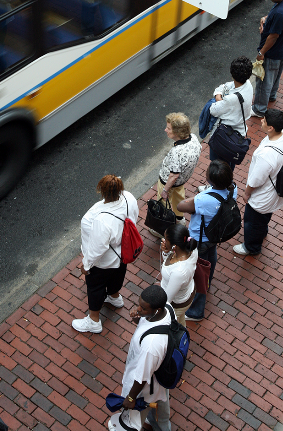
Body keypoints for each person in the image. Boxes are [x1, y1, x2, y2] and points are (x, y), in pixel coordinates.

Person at [72, 174, 139, 334]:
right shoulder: (129, 198)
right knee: (117, 276)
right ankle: (114, 297)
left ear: (102, 191)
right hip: (123, 254)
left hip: (104, 262)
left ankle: (94, 321)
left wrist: (86, 264)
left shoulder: (102, 220)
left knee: (95, 287)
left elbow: (97, 248)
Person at [176, 160, 237, 322]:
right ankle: (209, 279)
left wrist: (198, 196)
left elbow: (181, 206)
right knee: (211, 257)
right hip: (214, 236)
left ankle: (196, 311)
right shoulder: (233, 189)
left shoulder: (204, 199)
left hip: (199, 240)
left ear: (210, 180)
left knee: (198, 275)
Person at [108, 286, 172, 431]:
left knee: (131, 423)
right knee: (161, 405)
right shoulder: (167, 309)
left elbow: (142, 377)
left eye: (143, 309)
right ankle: (163, 426)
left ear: (157, 310)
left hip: (144, 389)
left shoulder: (151, 346)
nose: (138, 309)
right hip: (158, 380)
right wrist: (140, 320)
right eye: (139, 305)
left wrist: (131, 398)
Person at [234, 109, 283, 256]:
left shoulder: (266, 156)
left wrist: (247, 193)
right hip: (274, 190)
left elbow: (256, 180)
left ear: (271, 128)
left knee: (252, 221)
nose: (261, 121)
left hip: (262, 196)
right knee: (263, 218)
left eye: (264, 120)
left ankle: (252, 247)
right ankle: (262, 232)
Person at [150, 113, 201, 236]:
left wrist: (165, 190)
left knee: (163, 205)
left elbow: (173, 175)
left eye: (168, 128)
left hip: (168, 182)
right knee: (178, 198)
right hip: (181, 182)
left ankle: (162, 229)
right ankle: (180, 219)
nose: (165, 130)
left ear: (177, 132)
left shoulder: (176, 152)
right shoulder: (193, 138)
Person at [209, 56, 253, 169]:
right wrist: (220, 95)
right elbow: (224, 86)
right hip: (239, 133)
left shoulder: (231, 99)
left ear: (232, 74)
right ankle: (227, 184)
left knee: (218, 166)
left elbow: (213, 110)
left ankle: (217, 186)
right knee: (229, 164)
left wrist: (218, 98)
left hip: (224, 136)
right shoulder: (248, 84)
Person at [160, 223, 198, 326]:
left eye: (166, 239)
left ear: (174, 246)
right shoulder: (192, 249)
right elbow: (167, 259)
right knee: (181, 322)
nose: (163, 240)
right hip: (187, 292)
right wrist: (166, 252)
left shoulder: (179, 272)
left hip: (177, 304)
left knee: (173, 328)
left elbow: (167, 299)